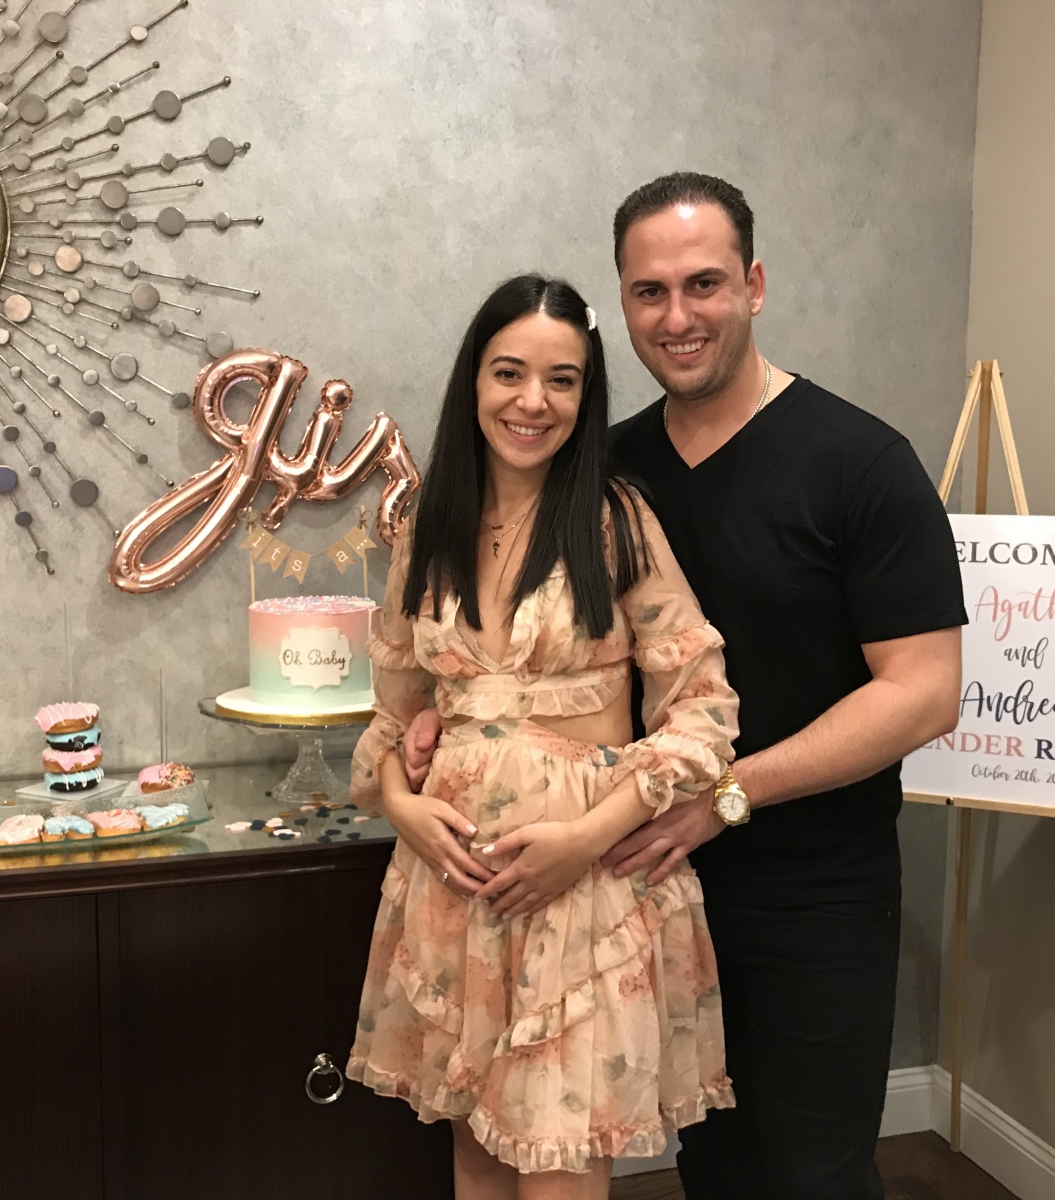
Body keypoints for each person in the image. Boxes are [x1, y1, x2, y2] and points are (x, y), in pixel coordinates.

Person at [403, 174, 966, 1199]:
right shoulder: (601, 474)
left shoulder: (860, 464)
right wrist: (450, 724)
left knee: (812, 1173)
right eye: (649, 292)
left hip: (809, 887)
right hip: (638, 879)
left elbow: (923, 693)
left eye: (703, 283)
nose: (677, 316)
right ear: (622, 304)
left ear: (754, 284)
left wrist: (725, 796)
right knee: (716, 1166)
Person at [346, 274, 742, 1199]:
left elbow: (704, 707)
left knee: (562, 1160)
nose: (533, 401)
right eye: (510, 373)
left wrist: (588, 838)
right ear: (473, 381)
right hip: (454, 886)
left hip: (584, 893)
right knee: (476, 1152)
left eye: (562, 380)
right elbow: (395, 712)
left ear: (585, 396)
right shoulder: (428, 526)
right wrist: (402, 807)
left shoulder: (614, 521)